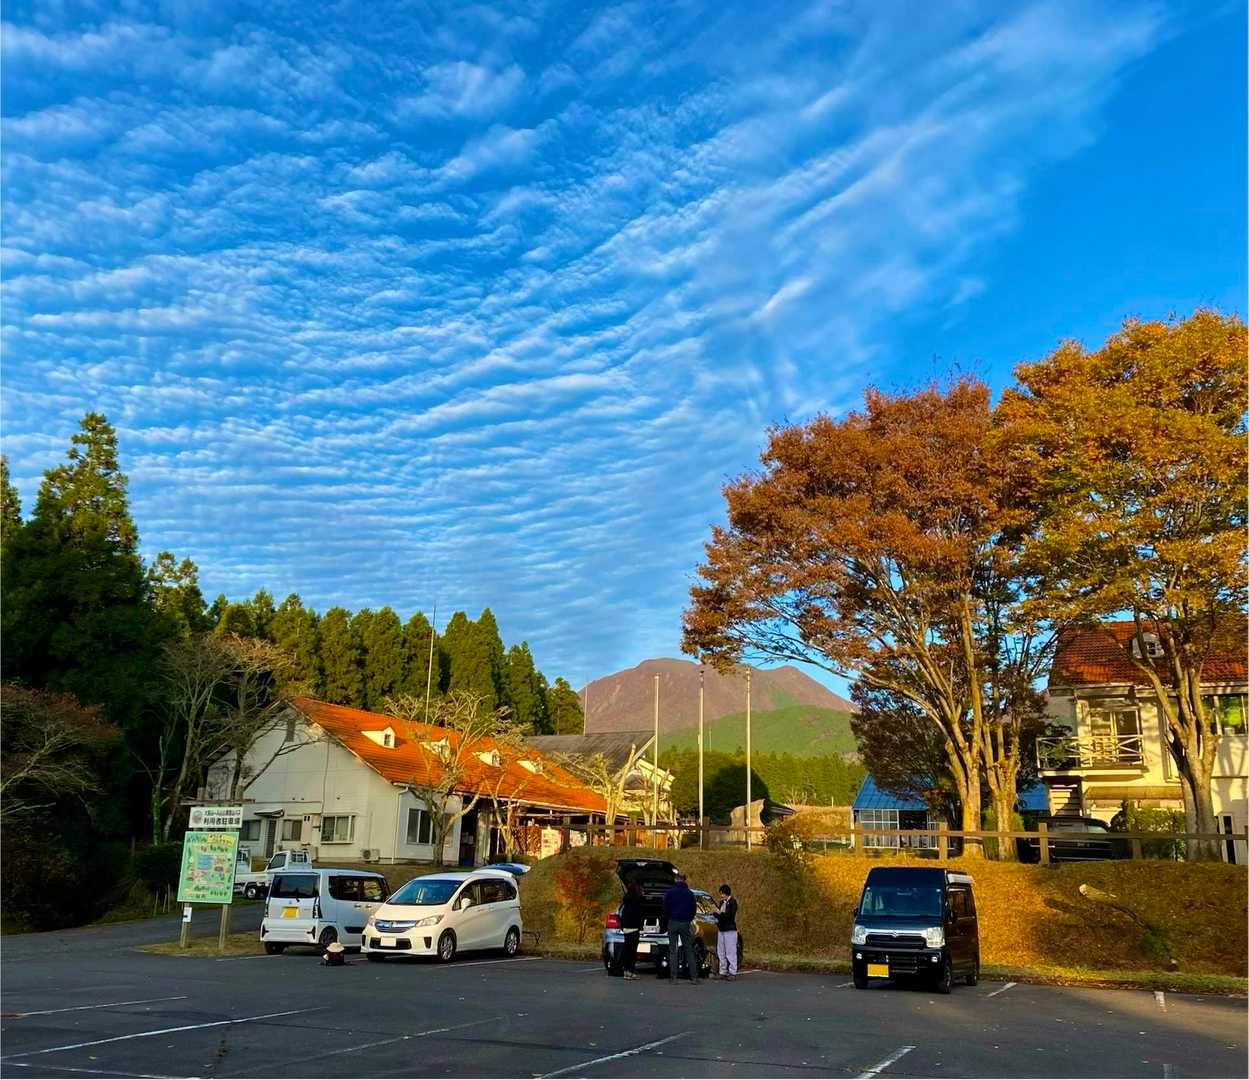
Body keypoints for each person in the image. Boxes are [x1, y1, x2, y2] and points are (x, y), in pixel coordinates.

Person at [661, 871, 699, 984]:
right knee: (688, 950)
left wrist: (669, 917)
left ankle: (674, 977)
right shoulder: (689, 894)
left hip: (673, 922)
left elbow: (665, 908)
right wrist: (688, 919)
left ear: (676, 879)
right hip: (685, 923)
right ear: (684, 880)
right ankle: (694, 977)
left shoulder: (669, 893)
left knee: (673, 950)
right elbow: (693, 909)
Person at [619, 881, 644, 980]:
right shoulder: (638, 899)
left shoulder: (626, 899)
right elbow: (640, 914)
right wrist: (641, 926)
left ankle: (626, 971)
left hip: (626, 928)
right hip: (634, 928)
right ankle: (630, 971)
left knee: (627, 950)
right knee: (632, 952)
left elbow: (623, 913)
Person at [713, 884, 738, 980]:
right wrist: (715, 912)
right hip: (721, 929)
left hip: (730, 930)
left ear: (726, 893)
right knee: (721, 951)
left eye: (722, 894)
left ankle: (732, 972)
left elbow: (730, 916)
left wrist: (719, 913)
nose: (721, 896)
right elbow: (720, 916)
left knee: (730, 951)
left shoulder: (733, 902)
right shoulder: (721, 903)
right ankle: (722, 971)